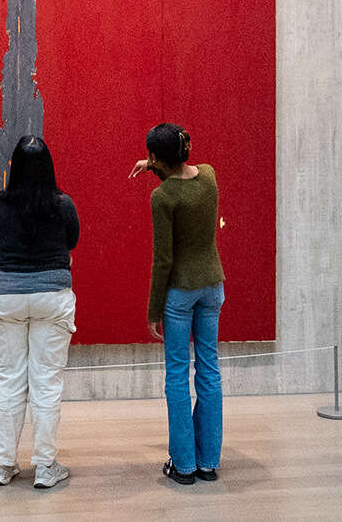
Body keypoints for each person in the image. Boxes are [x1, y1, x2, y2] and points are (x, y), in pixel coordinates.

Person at [128, 123, 226, 485]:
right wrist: (152, 162)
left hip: (180, 293)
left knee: (176, 375)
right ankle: (207, 462)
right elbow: (183, 171)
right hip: (212, 286)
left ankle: (183, 464)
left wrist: (153, 310)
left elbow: (163, 260)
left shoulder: (162, 198)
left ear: (157, 158)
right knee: (209, 371)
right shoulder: (210, 177)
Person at [0, 136, 79, 489]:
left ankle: (2, 464)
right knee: (46, 383)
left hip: (8, 298)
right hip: (52, 298)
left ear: (14, 168)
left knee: (10, 381)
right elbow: (72, 240)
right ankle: (44, 466)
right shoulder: (62, 204)